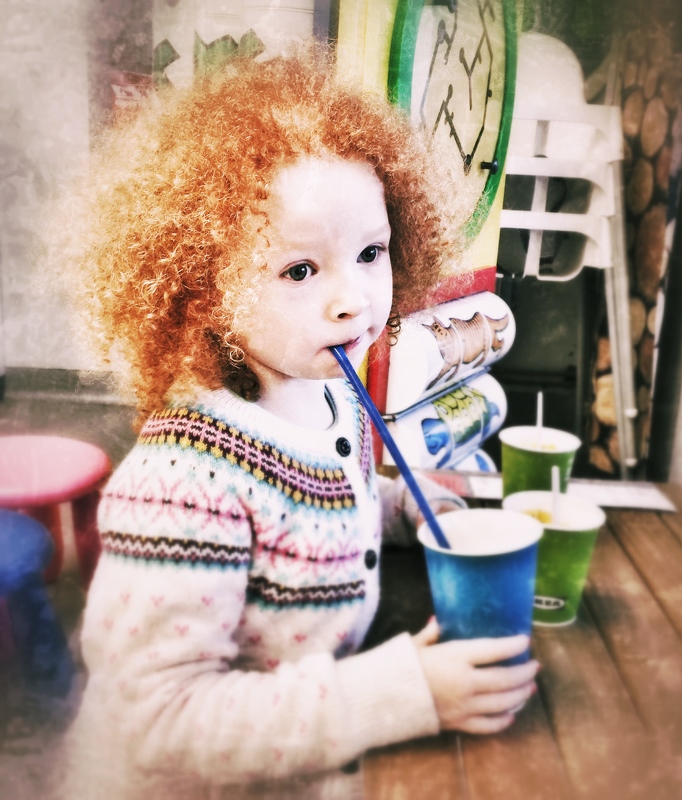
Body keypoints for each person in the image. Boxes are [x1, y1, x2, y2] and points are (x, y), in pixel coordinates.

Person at [55, 43, 538, 799]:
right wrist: (402, 693)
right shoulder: (181, 486)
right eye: (300, 270)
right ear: (204, 288)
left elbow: (319, 505)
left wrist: (403, 508)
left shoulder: (325, 390)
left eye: (371, 252)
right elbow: (156, 723)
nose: (354, 301)